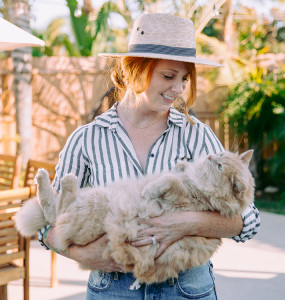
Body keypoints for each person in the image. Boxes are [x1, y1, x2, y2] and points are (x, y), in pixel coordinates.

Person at [38, 13, 260, 299]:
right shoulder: (87, 139)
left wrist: (189, 223)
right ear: (134, 69)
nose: (178, 89)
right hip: (112, 288)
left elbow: (249, 221)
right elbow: (47, 221)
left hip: (185, 287)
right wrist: (80, 253)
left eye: (183, 78)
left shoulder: (196, 135)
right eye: (168, 76)